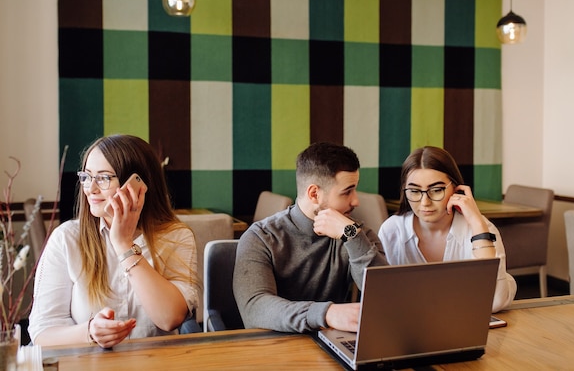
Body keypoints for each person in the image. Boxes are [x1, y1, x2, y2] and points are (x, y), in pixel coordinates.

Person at [29, 135, 199, 347]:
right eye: (86, 177)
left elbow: (169, 318)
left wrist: (123, 245)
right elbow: (42, 331)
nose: (90, 189)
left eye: (103, 178)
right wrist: (90, 332)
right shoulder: (66, 239)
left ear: (138, 185)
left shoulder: (176, 237)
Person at [233, 142, 387, 333]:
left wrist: (353, 237)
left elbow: (385, 296)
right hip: (273, 346)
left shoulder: (353, 232)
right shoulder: (261, 237)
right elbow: (255, 308)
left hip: (331, 344)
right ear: (314, 194)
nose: (356, 200)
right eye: (347, 191)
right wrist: (325, 313)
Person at [378, 146, 516, 313]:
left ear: (456, 188)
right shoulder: (392, 231)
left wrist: (477, 224)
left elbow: (495, 302)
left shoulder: (481, 229)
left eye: (436, 190)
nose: (424, 202)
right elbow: (382, 300)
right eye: (414, 191)